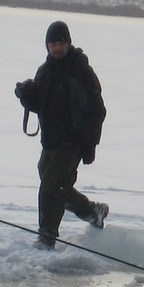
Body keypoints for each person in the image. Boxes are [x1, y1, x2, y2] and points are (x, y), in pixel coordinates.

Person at [14, 21, 108, 250]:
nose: (57, 47)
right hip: (50, 141)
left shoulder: (80, 72)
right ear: (47, 45)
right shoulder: (44, 71)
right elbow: (41, 104)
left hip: (73, 141)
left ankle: (46, 238)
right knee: (56, 186)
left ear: (68, 43)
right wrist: (26, 96)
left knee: (51, 186)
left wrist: (90, 144)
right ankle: (92, 211)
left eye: (61, 43)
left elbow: (97, 110)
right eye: (53, 43)